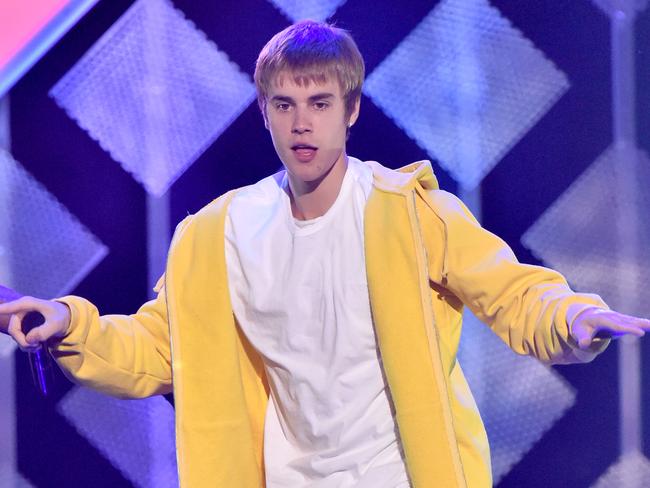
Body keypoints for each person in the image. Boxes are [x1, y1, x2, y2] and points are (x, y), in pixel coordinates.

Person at [0, 20, 649, 488]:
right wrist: (70, 327)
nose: (301, 122)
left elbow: (511, 293)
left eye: (318, 103)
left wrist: (571, 318)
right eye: (284, 105)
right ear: (265, 112)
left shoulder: (408, 213)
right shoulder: (216, 234)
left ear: (351, 110)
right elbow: (159, 349)